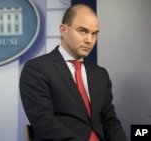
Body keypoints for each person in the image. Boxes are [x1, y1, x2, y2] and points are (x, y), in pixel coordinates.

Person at [19, 4, 128, 141]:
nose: (89, 40)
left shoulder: (100, 74)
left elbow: (110, 121)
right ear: (64, 30)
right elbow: (44, 123)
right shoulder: (37, 69)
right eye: (82, 31)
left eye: (94, 34)